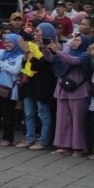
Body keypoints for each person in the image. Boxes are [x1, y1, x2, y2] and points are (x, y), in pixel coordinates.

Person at [52, 33, 93, 157]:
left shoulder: (85, 55)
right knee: (63, 119)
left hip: (79, 91)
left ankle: (79, 147)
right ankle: (64, 145)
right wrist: (46, 49)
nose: (74, 42)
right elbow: (51, 59)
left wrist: (57, 51)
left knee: (78, 120)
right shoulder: (66, 54)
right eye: (74, 40)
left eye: (78, 40)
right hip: (63, 89)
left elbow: (74, 61)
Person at [19, 23, 57, 151]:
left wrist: (36, 52)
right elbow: (24, 67)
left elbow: (39, 65)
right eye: (35, 32)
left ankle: (43, 141)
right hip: (30, 84)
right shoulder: (32, 47)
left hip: (43, 85)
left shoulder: (51, 49)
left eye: (38, 32)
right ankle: (29, 139)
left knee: (43, 113)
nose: (35, 34)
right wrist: (26, 54)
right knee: (29, 113)